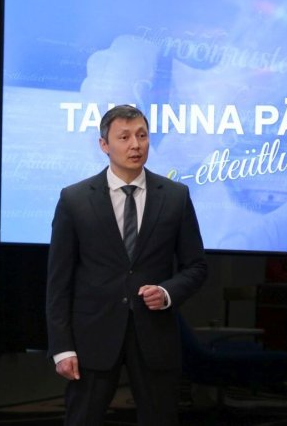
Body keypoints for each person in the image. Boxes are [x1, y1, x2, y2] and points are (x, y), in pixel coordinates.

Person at [46, 104, 207, 426]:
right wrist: (62, 347)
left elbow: (196, 266)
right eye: (124, 137)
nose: (136, 145)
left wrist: (167, 292)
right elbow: (58, 281)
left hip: (154, 336)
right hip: (92, 336)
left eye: (142, 136)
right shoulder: (75, 199)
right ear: (104, 145)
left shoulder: (175, 196)